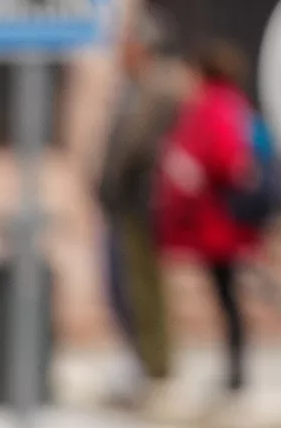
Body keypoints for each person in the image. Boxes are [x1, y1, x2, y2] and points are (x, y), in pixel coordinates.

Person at [155, 40, 259, 397]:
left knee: (227, 296)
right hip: (215, 221)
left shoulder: (217, 106)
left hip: (220, 222)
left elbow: (227, 159)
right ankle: (233, 370)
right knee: (226, 296)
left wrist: (194, 171)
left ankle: (236, 372)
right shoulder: (220, 105)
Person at [95, 13, 185, 402]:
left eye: (127, 44)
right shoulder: (130, 87)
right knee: (121, 286)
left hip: (142, 201)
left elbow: (138, 144)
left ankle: (156, 365)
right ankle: (140, 359)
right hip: (121, 203)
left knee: (144, 287)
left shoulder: (161, 85)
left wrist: (114, 178)